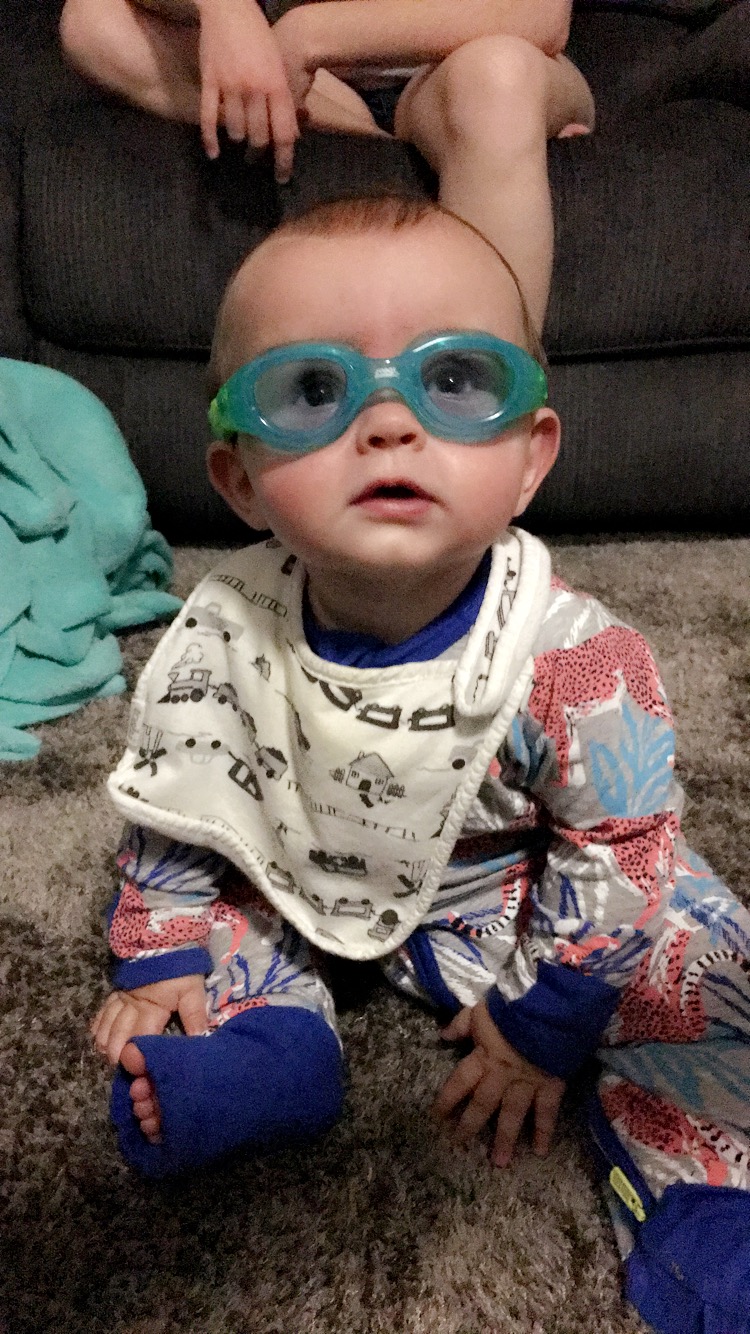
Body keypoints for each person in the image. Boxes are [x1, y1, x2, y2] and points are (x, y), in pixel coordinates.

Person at [96, 194, 749, 1334]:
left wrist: (548, 1019)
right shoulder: (224, 633)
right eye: (312, 390)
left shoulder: (574, 659)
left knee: (697, 955)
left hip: (517, 886)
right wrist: (153, 945)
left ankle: (709, 1194)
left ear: (531, 456)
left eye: (455, 383)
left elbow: (617, 847)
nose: (389, 426)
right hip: (297, 855)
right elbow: (182, 789)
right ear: (241, 480)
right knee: (223, 909)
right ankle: (270, 1055)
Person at [58, 0, 593, 332]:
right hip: (324, 94)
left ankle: (489, 406)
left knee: (496, 75)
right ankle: (383, 150)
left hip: (467, 62)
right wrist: (226, 9)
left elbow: (538, 16)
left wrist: (308, 34)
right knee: (93, 20)